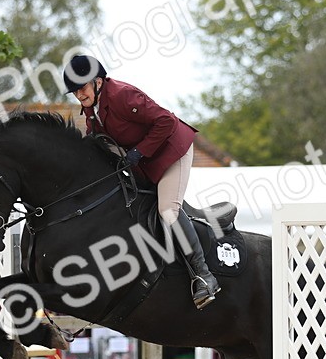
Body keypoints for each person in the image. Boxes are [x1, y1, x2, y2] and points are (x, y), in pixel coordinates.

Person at [62, 54, 221, 309]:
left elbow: (166, 121)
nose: (79, 95)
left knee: (167, 211)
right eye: (74, 92)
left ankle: (204, 276)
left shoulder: (122, 95)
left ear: (98, 82)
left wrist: (138, 152)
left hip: (172, 151)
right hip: (146, 160)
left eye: (81, 88)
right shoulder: (92, 108)